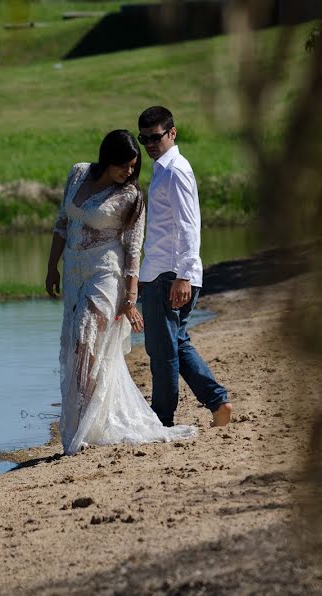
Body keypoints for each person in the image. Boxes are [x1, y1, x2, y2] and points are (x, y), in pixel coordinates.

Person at [45, 129, 196, 455]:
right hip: (74, 274)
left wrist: (129, 299)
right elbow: (61, 223)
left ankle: (82, 429)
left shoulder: (131, 197)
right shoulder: (79, 173)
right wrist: (50, 267)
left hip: (105, 277)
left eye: (133, 166)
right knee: (74, 347)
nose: (128, 172)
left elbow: (132, 250)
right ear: (106, 159)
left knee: (88, 343)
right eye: (122, 166)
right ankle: (85, 423)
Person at [136, 106, 232, 428]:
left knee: (163, 353)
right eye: (144, 138)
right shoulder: (164, 168)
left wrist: (183, 276)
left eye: (156, 137)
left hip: (170, 274)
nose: (150, 143)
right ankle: (218, 403)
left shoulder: (175, 169)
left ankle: (161, 419)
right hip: (163, 272)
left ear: (172, 133)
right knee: (176, 343)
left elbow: (189, 225)